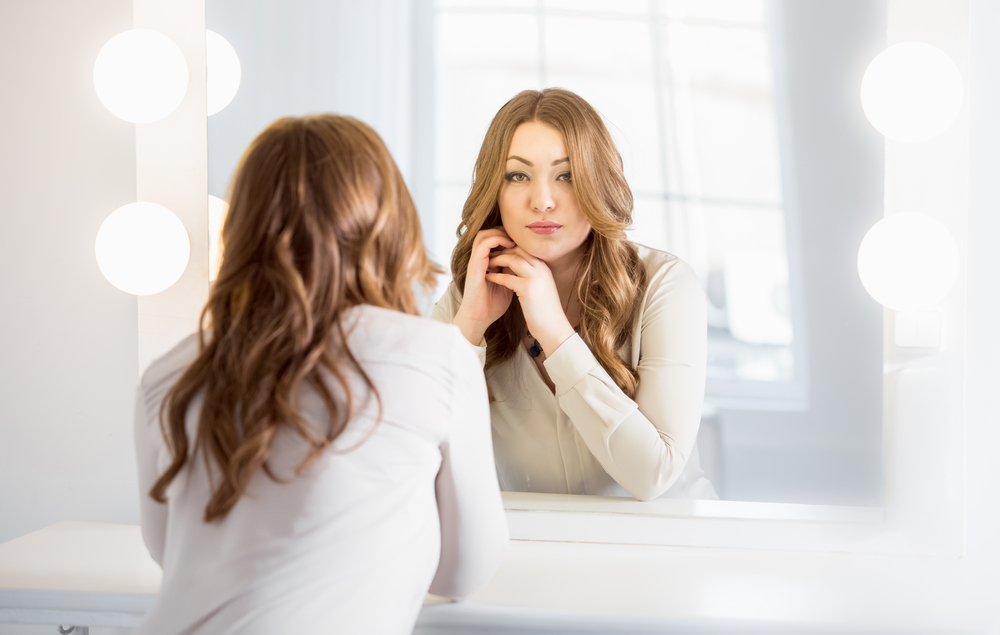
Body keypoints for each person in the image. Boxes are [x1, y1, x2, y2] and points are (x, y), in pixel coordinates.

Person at [134, 114, 508, 634]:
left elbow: (168, 550)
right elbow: (462, 571)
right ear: (387, 225)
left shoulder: (169, 374)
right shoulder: (437, 357)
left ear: (241, 228)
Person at [433, 88, 715, 501]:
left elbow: (653, 473)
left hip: (667, 547)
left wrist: (555, 333)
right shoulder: (472, 292)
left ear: (596, 182)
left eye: (565, 175)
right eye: (518, 175)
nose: (542, 201)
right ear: (495, 189)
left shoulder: (666, 284)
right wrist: (470, 326)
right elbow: (411, 457)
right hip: (538, 552)